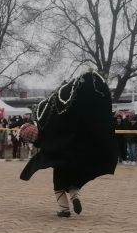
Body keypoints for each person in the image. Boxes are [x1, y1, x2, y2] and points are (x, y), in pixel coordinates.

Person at [18, 70, 118, 218]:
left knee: (58, 184)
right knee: (73, 180)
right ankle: (74, 195)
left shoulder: (45, 135)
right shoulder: (56, 127)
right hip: (72, 155)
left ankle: (64, 209)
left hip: (57, 159)